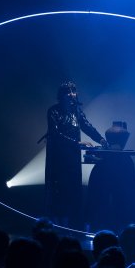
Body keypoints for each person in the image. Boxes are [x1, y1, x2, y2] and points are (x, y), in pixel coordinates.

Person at [45, 80, 106, 229]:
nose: (71, 94)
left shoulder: (76, 112)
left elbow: (87, 126)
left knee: (73, 189)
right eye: (68, 92)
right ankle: (59, 224)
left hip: (72, 156)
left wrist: (101, 138)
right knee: (59, 190)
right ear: (62, 95)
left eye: (73, 91)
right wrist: (77, 143)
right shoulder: (53, 111)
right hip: (58, 158)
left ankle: (73, 224)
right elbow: (56, 133)